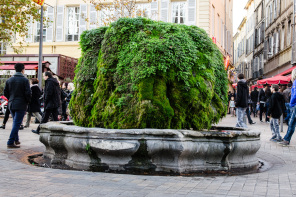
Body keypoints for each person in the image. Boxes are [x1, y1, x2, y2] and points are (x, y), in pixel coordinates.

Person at [4, 63, 31, 148]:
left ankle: (16, 139)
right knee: (17, 123)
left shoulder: (9, 80)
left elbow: (5, 92)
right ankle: (10, 142)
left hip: (11, 104)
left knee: (15, 123)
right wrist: (27, 101)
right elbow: (28, 93)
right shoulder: (25, 80)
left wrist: (11, 98)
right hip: (21, 104)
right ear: (23, 70)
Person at [280, 69, 296, 146]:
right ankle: (286, 138)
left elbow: (294, 95)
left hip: (295, 105)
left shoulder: (295, 82)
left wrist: (291, 103)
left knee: (292, 123)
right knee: (292, 123)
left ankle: (286, 139)